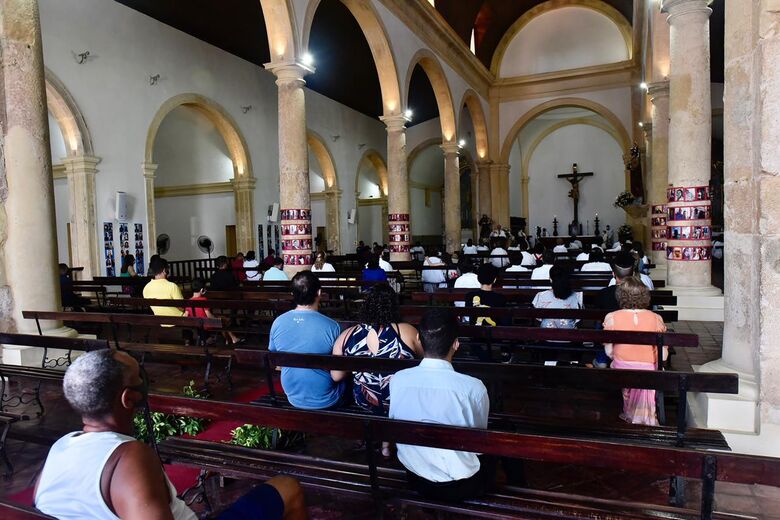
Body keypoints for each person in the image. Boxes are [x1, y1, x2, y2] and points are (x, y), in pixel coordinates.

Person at [34, 349, 306, 520]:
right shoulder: (128, 456)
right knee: (287, 487)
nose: (145, 382)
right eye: (140, 377)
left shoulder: (60, 447)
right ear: (129, 398)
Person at [389, 309, 492, 501]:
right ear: (456, 344)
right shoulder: (474, 388)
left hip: (415, 477)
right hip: (461, 484)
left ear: (418, 339)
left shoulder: (398, 379)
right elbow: (479, 445)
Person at [332, 284, 422, 456]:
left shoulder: (347, 335)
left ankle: (380, 438)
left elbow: (336, 376)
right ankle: (388, 443)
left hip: (365, 401)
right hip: (400, 400)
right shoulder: (407, 331)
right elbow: (425, 363)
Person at [269, 272, 345, 409]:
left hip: (292, 394)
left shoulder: (278, 322)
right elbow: (338, 374)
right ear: (319, 293)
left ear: (292, 294)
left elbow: (275, 359)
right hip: (326, 396)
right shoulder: (332, 326)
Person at [603, 278, 667, 426]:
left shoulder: (612, 317)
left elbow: (608, 350)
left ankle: (629, 411)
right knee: (650, 371)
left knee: (619, 367)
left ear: (620, 296)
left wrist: (617, 356)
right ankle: (641, 415)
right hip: (649, 368)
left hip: (622, 367)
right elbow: (663, 355)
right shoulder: (656, 318)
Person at [186, 278, 242, 345]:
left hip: (197, 325)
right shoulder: (203, 300)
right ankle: (233, 339)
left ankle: (230, 339)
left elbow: (186, 314)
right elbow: (208, 315)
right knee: (223, 320)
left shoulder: (189, 301)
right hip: (206, 324)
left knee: (221, 319)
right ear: (202, 290)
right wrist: (216, 319)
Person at [532, 265, 582, 329]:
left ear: (550, 279)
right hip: (569, 333)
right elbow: (578, 321)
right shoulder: (577, 296)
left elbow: (538, 319)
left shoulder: (540, 296)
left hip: (545, 333)